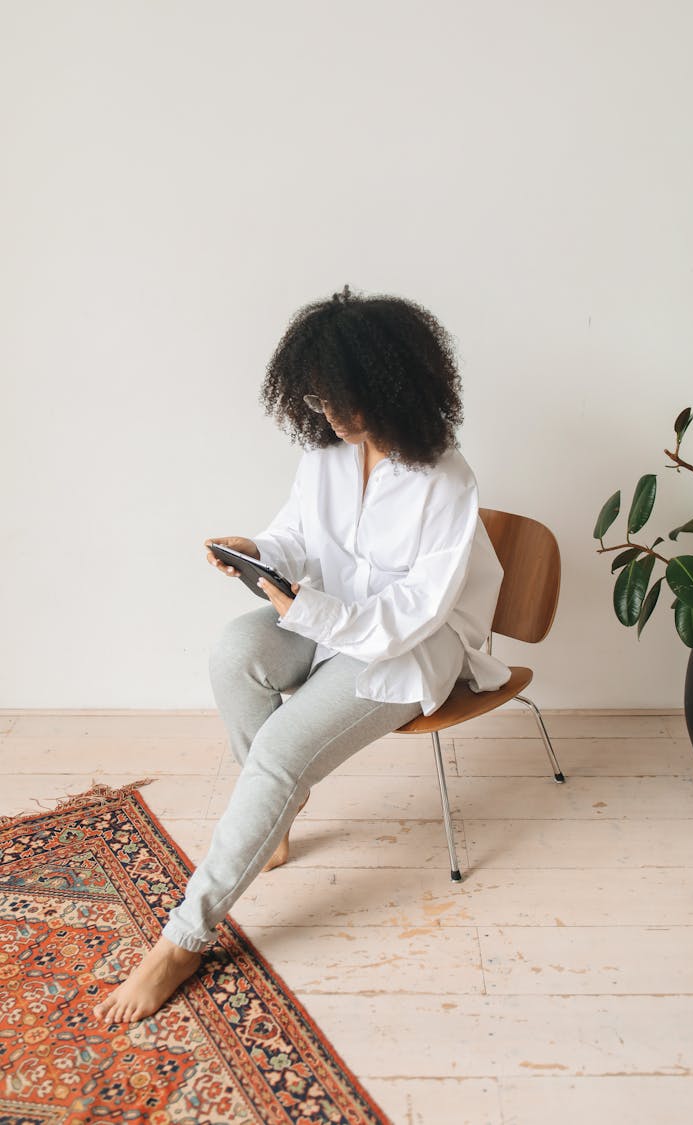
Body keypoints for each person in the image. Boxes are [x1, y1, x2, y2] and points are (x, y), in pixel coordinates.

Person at [93, 283, 512, 1022]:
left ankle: (184, 937)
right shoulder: (326, 454)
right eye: (319, 399)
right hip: (323, 620)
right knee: (233, 652)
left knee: (281, 751)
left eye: (342, 399)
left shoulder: (447, 480)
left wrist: (308, 607)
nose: (331, 415)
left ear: (390, 388)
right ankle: (274, 821)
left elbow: (415, 613)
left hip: (404, 655)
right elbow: (299, 536)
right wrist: (260, 550)